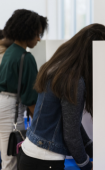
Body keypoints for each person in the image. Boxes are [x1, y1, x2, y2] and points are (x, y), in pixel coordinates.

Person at [18, 23, 105, 170]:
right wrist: (87, 165)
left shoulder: (55, 67)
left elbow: (70, 121)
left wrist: (91, 149)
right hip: (45, 160)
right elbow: (71, 135)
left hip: (29, 153)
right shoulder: (74, 81)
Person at [0, 9, 48, 170]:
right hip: (11, 111)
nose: (39, 39)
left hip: (3, 104)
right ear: (28, 31)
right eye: (37, 34)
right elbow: (31, 99)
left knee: (6, 159)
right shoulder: (26, 58)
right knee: (12, 162)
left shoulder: (9, 52)